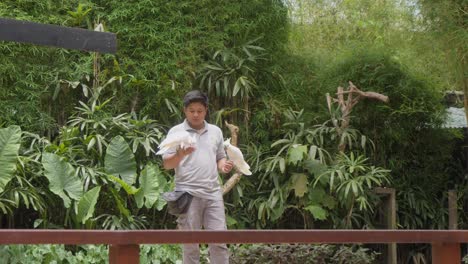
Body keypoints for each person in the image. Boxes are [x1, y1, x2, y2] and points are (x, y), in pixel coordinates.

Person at [162, 90, 234, 264]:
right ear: (185, 110)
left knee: (219, 241)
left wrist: (223, 165)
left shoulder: (216, 131)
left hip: (213, 193)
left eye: (200, 110)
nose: (196, 114)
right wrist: (181, 154)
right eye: (192, 110)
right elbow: (167, 164)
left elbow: (219, 156)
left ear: (206, 110)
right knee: (190, 244)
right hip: (186, 194)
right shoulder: (176, 132)